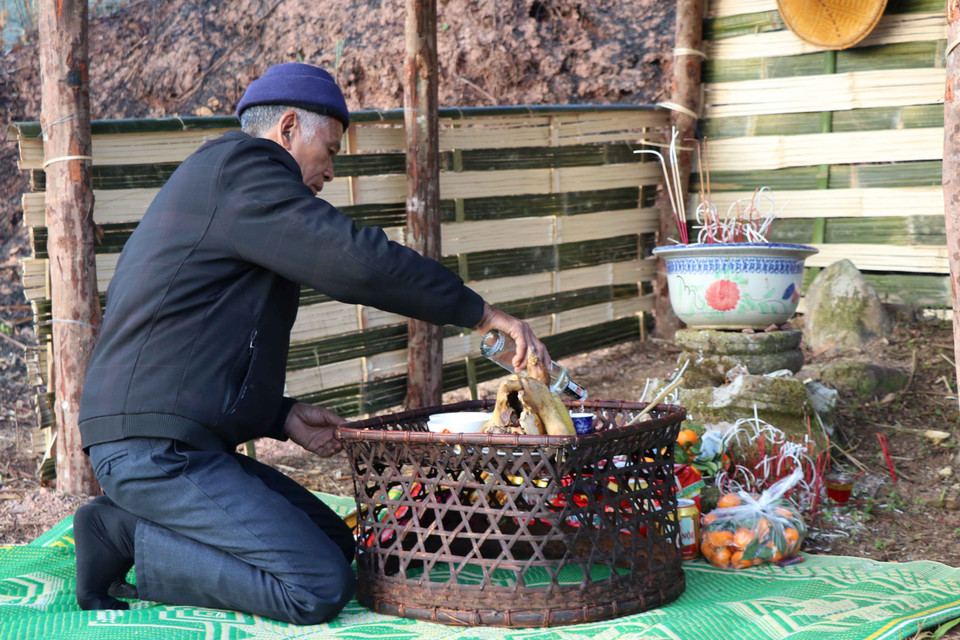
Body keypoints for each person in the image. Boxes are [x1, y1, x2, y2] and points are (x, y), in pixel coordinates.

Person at [73, 62, 551, 625]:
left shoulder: (228, 188)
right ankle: (122, 532)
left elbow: (191, 344)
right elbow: (356, 262)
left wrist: (280, 415)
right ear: (289, 126)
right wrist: (478, 312)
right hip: (151, 449)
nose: (329, 169)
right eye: (328, 149)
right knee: (316, 584)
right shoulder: (244, 167)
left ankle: (134, 524)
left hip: (176, 441)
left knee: (336, 542)